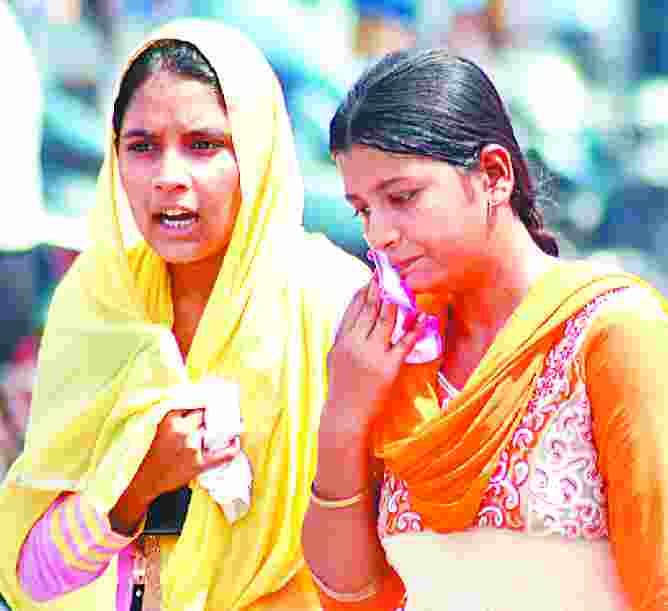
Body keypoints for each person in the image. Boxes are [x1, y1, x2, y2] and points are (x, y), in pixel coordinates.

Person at [0, 18, 369, 611]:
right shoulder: (99, 300)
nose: (169, 178)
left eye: (203, 145)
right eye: (141, 146)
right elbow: (34, 575)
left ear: (256, 152)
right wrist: (137, 485)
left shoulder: (334, 305)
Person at [302, 48, 668, 611]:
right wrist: (344, 419)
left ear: (494, 176)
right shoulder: (394, 355)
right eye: (363, 210)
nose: (378, 235)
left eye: (402, 197)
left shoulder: (610, 334)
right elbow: (353, 600)